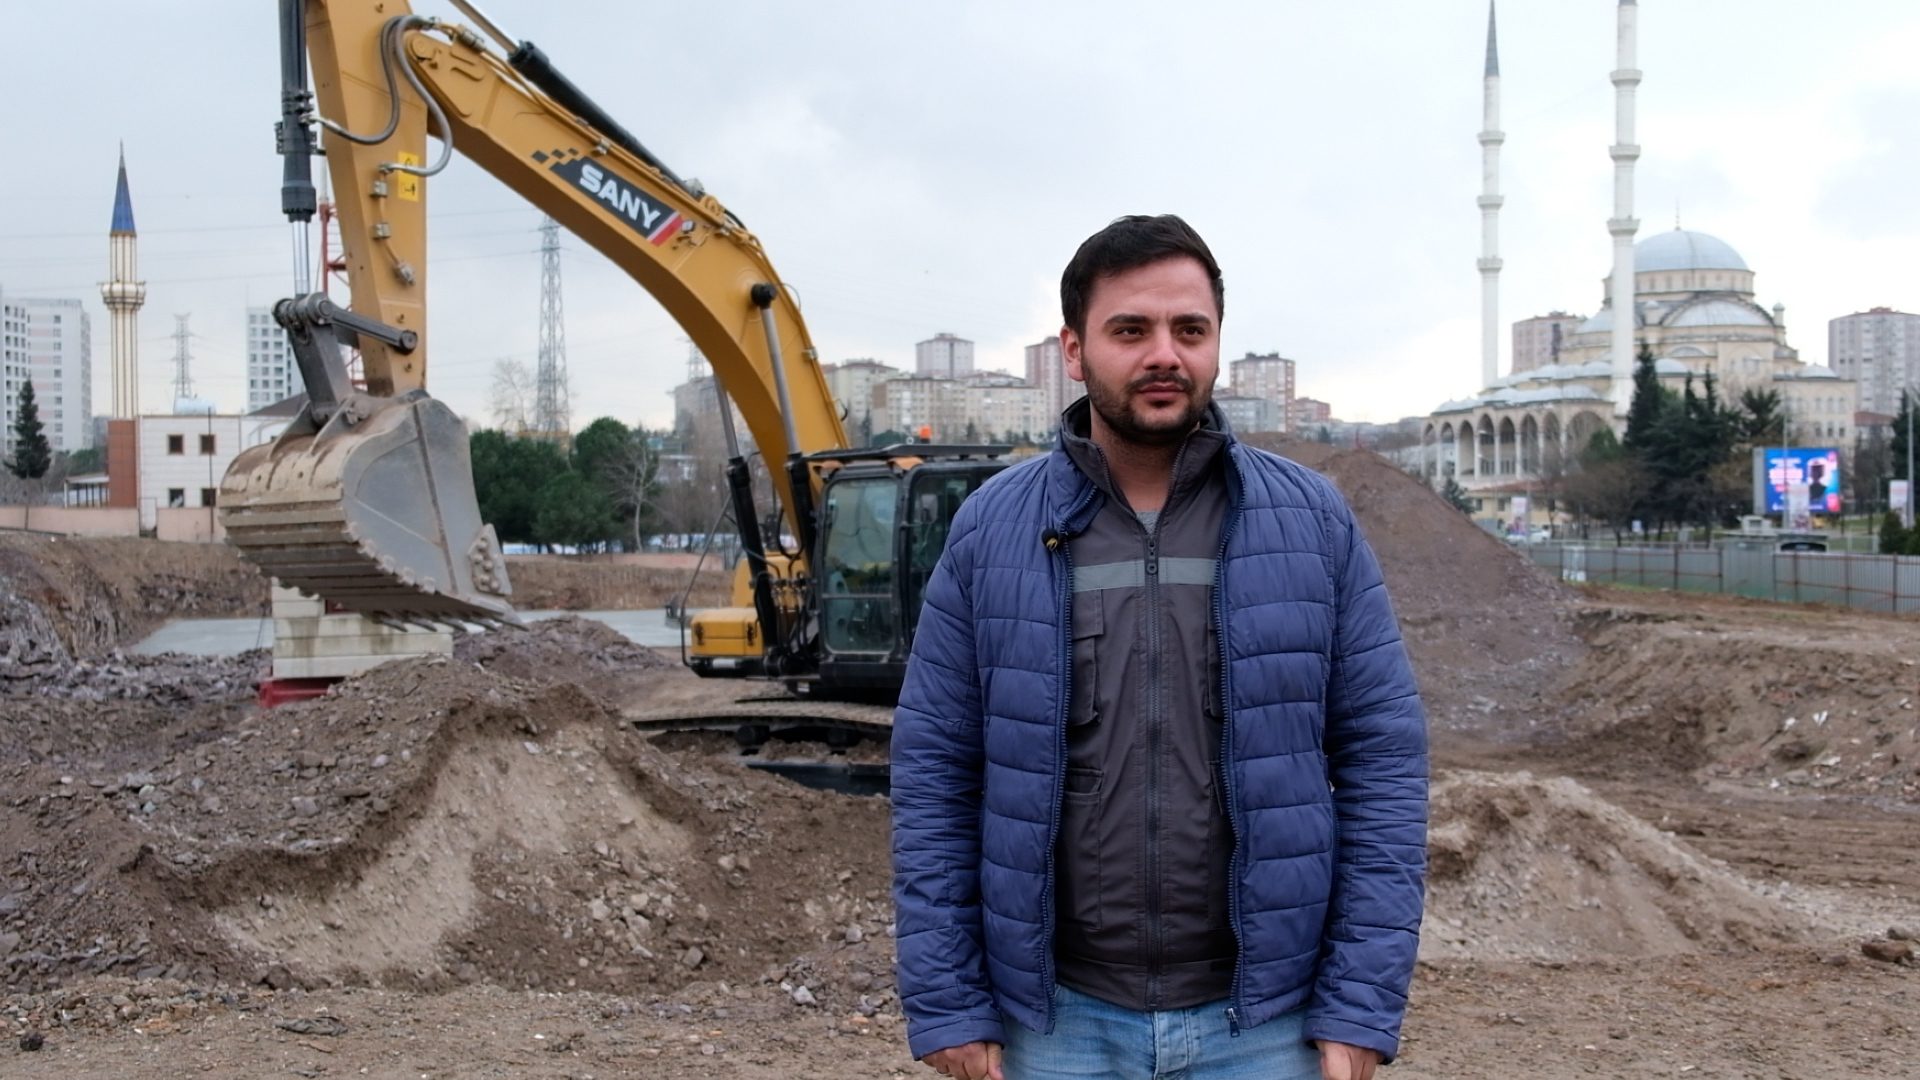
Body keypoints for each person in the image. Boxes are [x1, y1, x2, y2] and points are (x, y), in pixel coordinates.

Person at [891, 214, 1428, 1080]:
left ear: (1217, 342)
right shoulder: (992, 529)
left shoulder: (1314, 522)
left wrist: (1360, 1003)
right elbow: (935, 774)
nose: (1164, 354)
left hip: (1265, 1024)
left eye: (1190, 329)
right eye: (1130, 330)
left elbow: (1383, 762)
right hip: (1054, 1023)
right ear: (1074, 350)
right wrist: (949, 996)